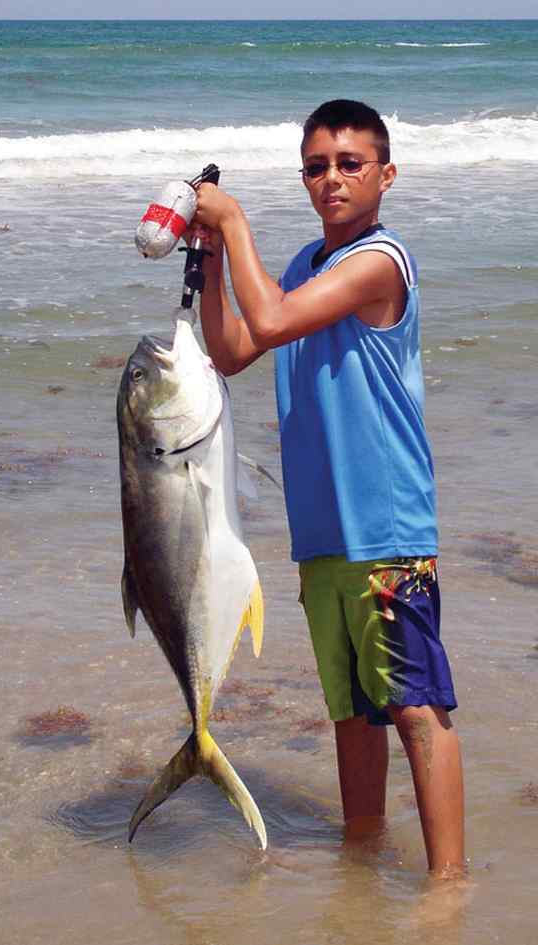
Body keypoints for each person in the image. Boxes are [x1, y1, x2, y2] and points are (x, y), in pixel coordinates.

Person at [191, 99, 464, 876]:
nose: (332, 179)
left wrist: (235, 221)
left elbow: (271, 321)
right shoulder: (308, 266)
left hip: (387, 529)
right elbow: (237, 347)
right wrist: (212, 262)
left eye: (349, 163)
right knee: (352, 712)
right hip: (322, 533)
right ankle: (362, 855)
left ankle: (449, 882)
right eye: (317, 167)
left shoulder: (382, 261)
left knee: (416, 707)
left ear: (386, 173)